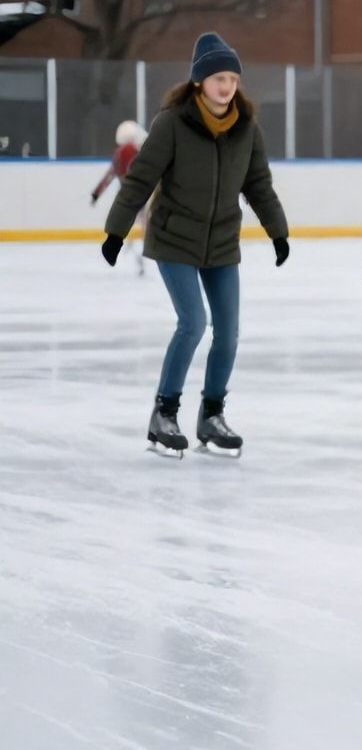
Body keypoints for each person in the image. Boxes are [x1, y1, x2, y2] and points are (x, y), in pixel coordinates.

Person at [101, 33, 289, 457]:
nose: (227, 86)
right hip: (174, 241)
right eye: (219, 77)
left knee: (229, 332)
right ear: (200, 81)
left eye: (233, 78)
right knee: (192, 323)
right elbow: (141, 178)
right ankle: (164, 413)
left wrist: (278, 231)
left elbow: (258, 184)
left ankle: (211, 416)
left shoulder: (246, 128)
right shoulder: (172, 123)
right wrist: (115, 231)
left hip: (222, 243)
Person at [92, 118, 149, 275]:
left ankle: (135, 253)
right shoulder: (132, 151)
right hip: (139, 197)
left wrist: (96, 193)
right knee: (145, 229)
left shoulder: (119, 154)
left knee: (126, 228)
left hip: (127, 199)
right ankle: (139, 256)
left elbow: (110, 175)